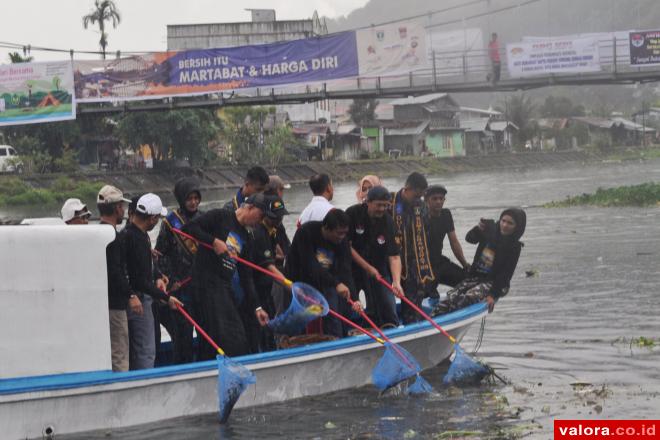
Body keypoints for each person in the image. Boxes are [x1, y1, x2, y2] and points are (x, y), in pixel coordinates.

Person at [182, 193, 273, 359]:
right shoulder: (220, 216)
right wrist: (213, 241)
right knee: (224, 334)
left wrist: (257, 307)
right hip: (205, 282)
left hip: (223, 285)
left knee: (237, 334)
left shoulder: (247, 238)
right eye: (259, 217)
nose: (259, 222)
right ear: (250, 208)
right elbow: (189, 228)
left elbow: (247, 277)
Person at [121, 193, 183, 370]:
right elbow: (139, 280)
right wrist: (166, 297)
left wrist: (157, 276)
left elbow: (143, 268)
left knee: (140, 348)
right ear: (152, 218)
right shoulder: (136, 239)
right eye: (157, 219)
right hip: (139, 300)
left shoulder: (134, 234)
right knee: (145, 350)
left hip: (140, 297)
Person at [436, 208, 526, 315]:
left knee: (467, 297)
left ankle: (449, 321)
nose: (505, 225)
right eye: (503, 221)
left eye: (510, 223)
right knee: (450, 297)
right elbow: (469, 239)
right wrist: (478, 229)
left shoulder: (514, 247)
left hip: (495, 283)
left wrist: (492, 295)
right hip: (476, 278)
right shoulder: (490, 229)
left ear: (517, 227)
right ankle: (433, 321)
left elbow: (506, 274)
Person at [285, 209, 358, 338]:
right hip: (298, 281)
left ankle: (336, 340)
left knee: (337, 311)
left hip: (326, 279)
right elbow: (310, 265)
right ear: (326, 228)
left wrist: (355, 299)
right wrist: (336, 284)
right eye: (339, 233)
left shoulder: (343, 241)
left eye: (344, 233)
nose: (342, 237)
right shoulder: (306, 232)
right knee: (299, 319)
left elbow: (346, 270)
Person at [155, 177, 202, 364]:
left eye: (196, 198)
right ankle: (182, 365)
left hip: (200, 285)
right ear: (182, 200)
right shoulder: (169, 223)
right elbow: (160, 254)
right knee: (182, 332)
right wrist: (171, 279)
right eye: (189, 199)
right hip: (179, 288)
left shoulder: (204, 218)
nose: (193, 202)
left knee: (203, 325)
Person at [346, 186, 403, 328]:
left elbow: (394, 256)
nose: (382, 209)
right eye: (379, 205)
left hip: (378, 269)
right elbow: (347, 246)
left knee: (388, 308)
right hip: (352, 268)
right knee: (349, 305)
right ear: (368, 202)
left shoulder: (388, 221)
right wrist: (367, 267)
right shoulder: (353, 214)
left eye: (385, 205)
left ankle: (390, 329)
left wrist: (396, 282)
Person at [389, 172, 435, 324]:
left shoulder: (421, 207)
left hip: (415, 262)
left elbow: (427, 231)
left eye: (421, 196)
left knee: (414, 303)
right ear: (407, 188)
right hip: (391, 259)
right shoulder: (390, 202)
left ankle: (413, 328)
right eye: (416, 195)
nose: (419, 199)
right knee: (387, 302)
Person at [97, 185, 133, 372]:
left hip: (101, 304)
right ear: (116, 208)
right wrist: (131, 295)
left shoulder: (95, 235)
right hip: (116, 305)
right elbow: (116, 272)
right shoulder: (113, 237)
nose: (124, 211)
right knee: (119, 353)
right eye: (122, 206)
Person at [249, 195, 290, 351]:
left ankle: (272, 347)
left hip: (268, 287)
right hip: (257, 286)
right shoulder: (259, 233)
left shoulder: (274, 230)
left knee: (272, 320)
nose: (278, 220)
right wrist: (289, 285)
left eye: (280, 216)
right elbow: (268, 266)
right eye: (274, 218)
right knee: (263, 326)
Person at [424, 185, 470, 295]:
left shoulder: (446, 215)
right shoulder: (419, 217)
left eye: (441, 198)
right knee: (424, 294)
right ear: (426, 200)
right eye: (434, 199)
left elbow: (454, 242)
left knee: (467, 282)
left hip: (439, 262)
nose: (438, 202)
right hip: (424, 266)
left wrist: (465, 265)